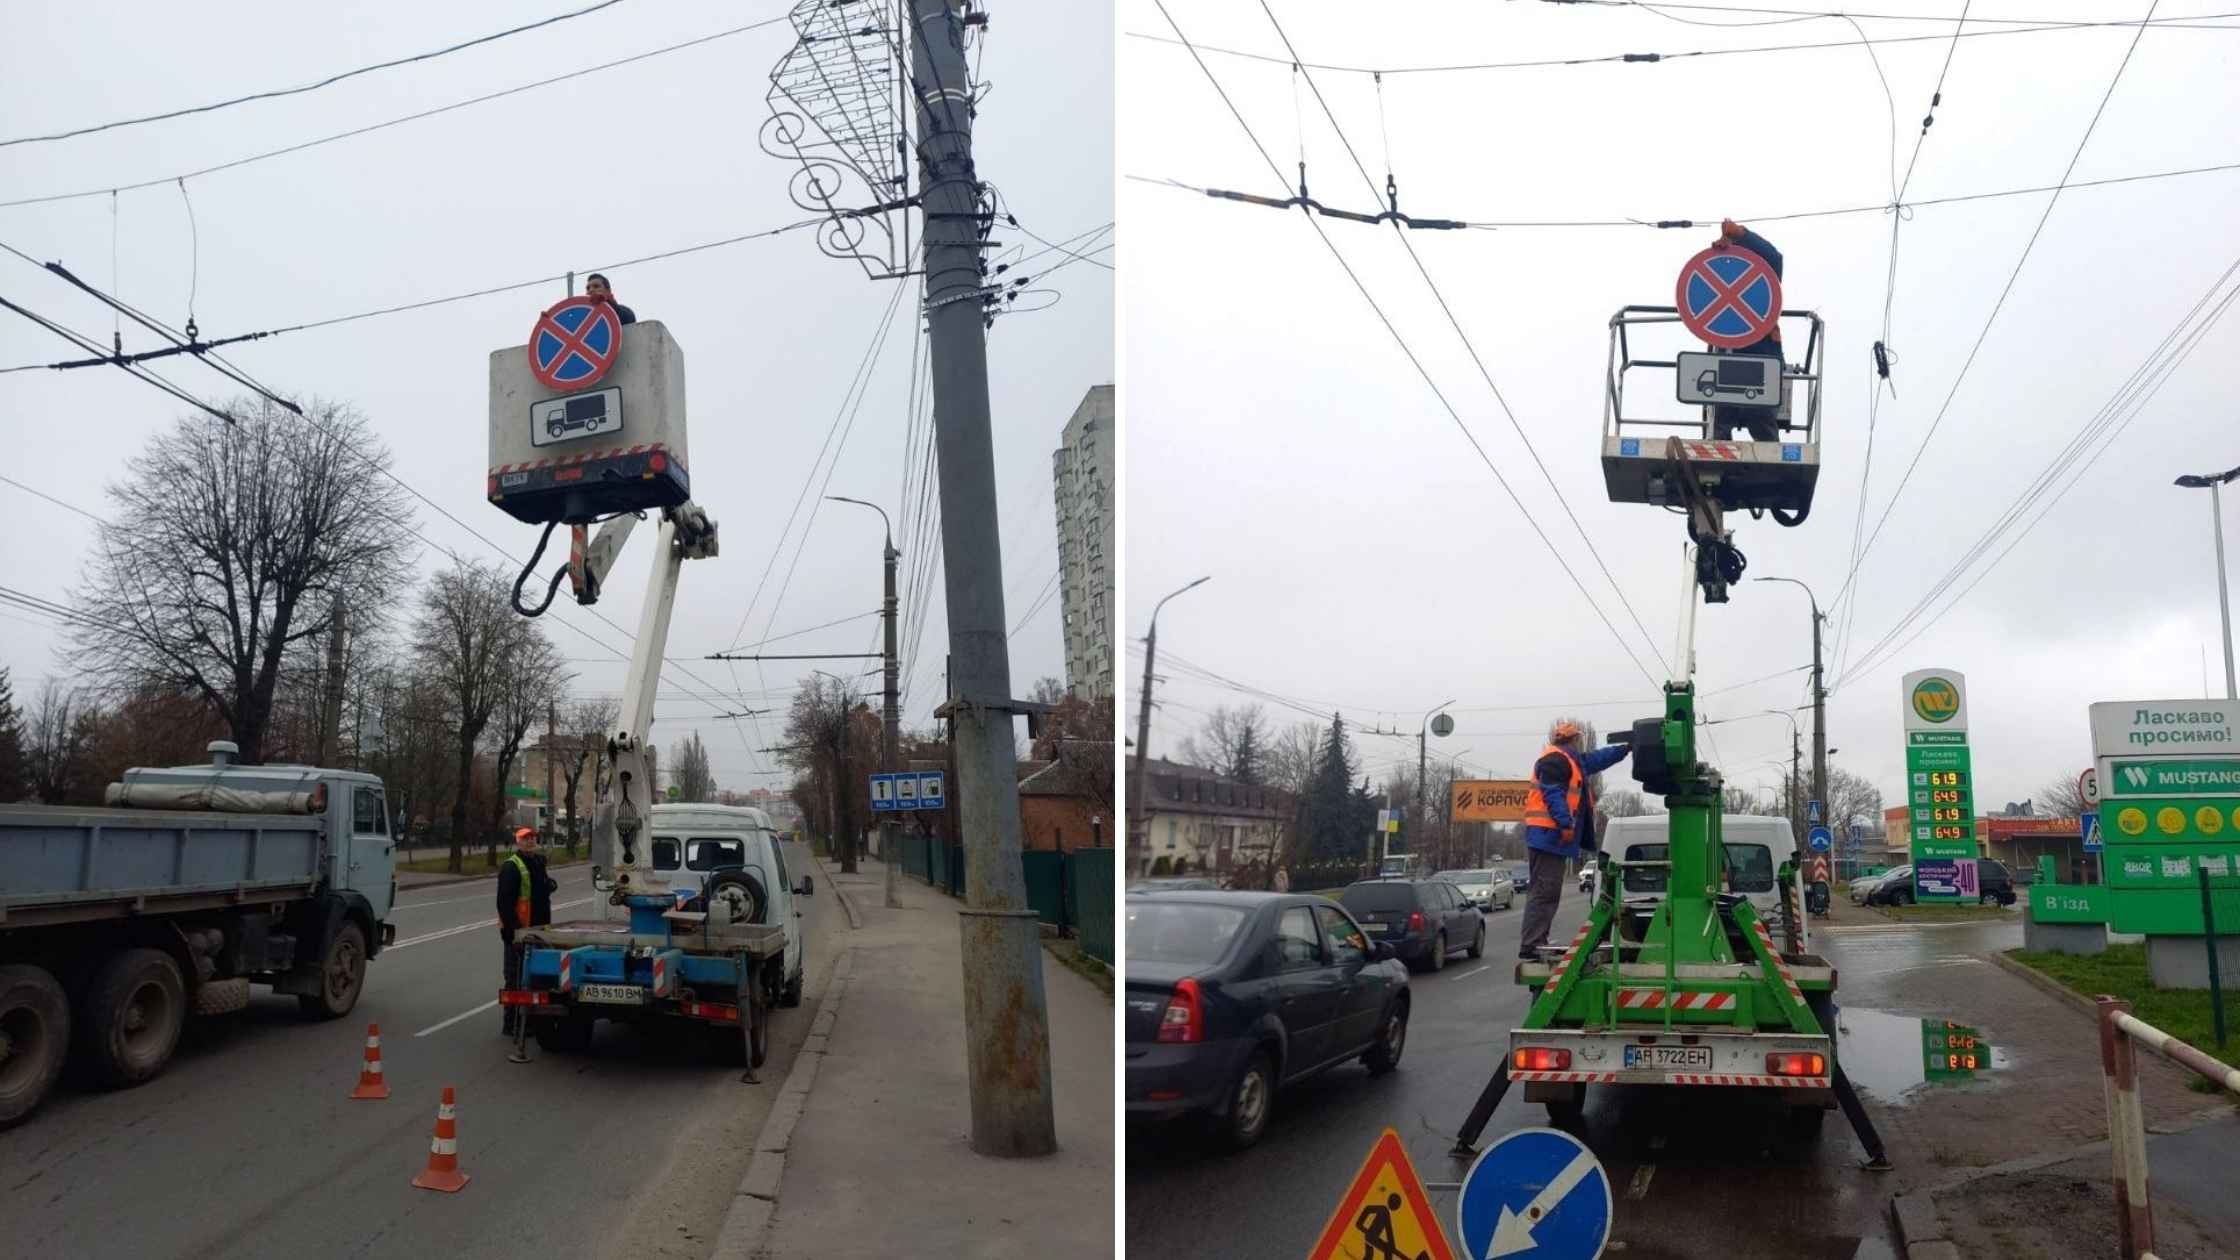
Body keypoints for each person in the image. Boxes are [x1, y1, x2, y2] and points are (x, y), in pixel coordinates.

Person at [1517, 720, 1631, 960]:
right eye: (1578, 739)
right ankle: (1533, 943)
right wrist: (1565, 824)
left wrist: (1624, 749)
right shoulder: (1555, 760)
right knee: (1544, 891)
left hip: (1549, 837)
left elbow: (1596, 759)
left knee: (1546, 891)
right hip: (1548, 835)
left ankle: (1535, 941)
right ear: (1573, 740)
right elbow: (1552, 793)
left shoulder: (1570, 760)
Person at [1705, 218, 1784, 443]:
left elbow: (1774, 258)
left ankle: (1768, 457)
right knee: (1719, 425)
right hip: (1727, 356)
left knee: (1761, 419)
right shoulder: (1719, 284)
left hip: (1760, 354)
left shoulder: (1763, 282)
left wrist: (1742, 234)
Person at [497, 825, 558, 1035]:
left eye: (532, 838)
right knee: (515, 978)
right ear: (518, 842)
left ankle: (530, 1022)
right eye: (525, 838)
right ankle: (511, 1024)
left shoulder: (538, 862)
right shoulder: (512, 866)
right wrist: (513, 932)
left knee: (535, 978)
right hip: (519, 932)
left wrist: (549, 885)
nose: (530, 841)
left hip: (539, 930)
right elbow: (504, 903)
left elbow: (538, 891)